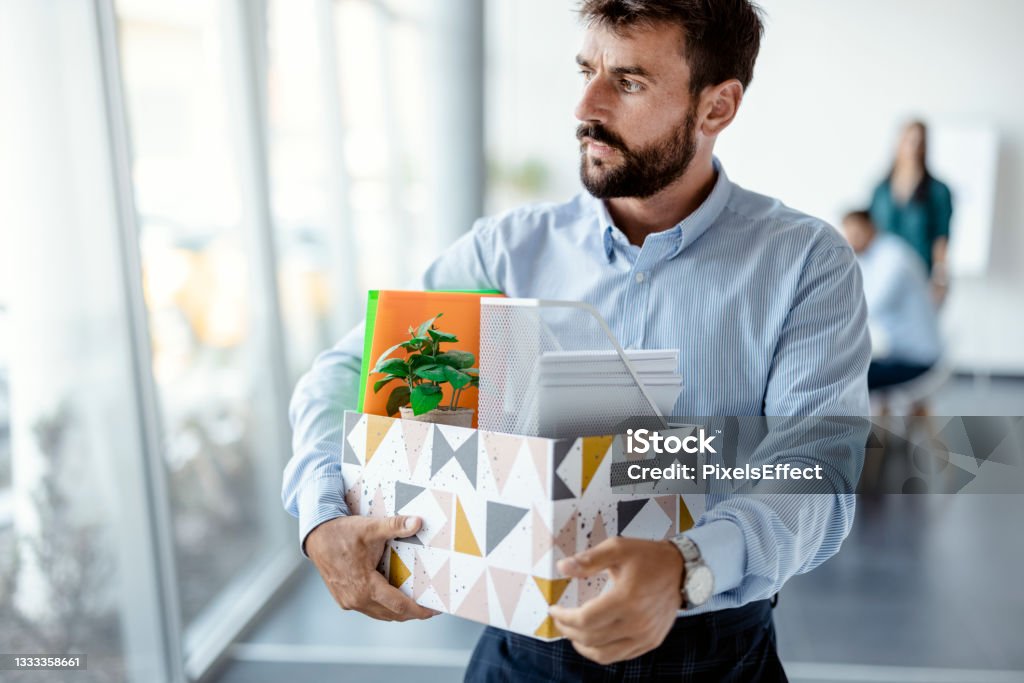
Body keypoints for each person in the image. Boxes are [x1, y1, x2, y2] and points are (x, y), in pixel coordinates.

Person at [283, 1, 870, 680]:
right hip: (526, 649)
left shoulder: (805, 263)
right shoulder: (504, 253)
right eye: (586, 70)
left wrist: (689, 565)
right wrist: (321, 513)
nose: (584, 105)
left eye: (628, 82)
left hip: (714, 650)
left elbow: (816, 466)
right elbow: (352, 369)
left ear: (717, 108)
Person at [841, 210, 941, 391]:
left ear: (871, 228)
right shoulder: (874, 256)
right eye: (847, 234)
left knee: (844, 377)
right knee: (846, 369)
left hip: (915, 360)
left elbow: (870, 306)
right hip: (899, 353)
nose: (850, 241)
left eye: (855, 234)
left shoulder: (893, 257)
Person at [869, 120, 954, 301]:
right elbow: (872, 233)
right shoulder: (881, 190)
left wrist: (940, 278)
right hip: (883, 277)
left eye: (919, 142)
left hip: (921, 277)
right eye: (909, 140)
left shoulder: (938, 191)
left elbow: (941, 238)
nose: (913, 148)